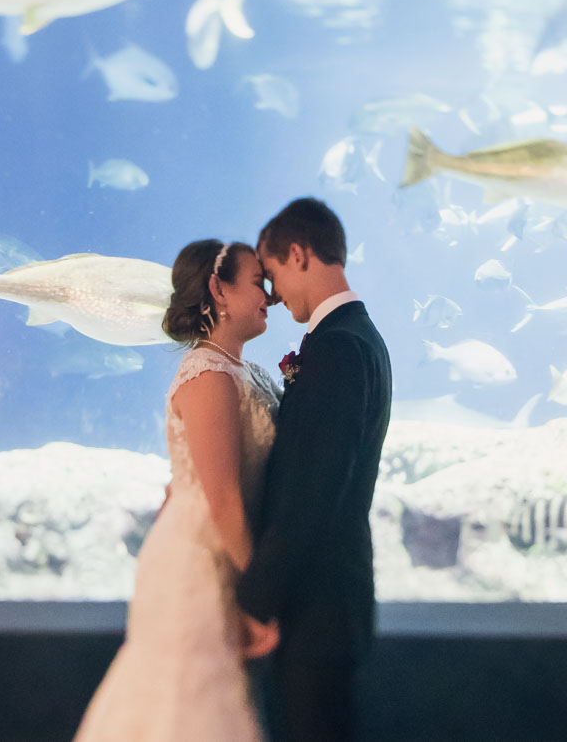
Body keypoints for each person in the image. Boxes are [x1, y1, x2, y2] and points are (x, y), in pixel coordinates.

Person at [74, 238, 282, 742]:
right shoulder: (208, 375)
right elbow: (223, 499)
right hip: (197, 564)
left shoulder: (240, 371)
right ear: (219, 289)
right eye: (258, 283)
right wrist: (260, 597)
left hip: (213, 553)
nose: (270, 297)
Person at [238, 197, 393, 742]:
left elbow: (314, 494)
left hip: (317, 606)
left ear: (299, 254)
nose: (273, 295)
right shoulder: (356, 337)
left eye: (273, 272)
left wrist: (256, 599)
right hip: (329, 603)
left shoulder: (339, 348)